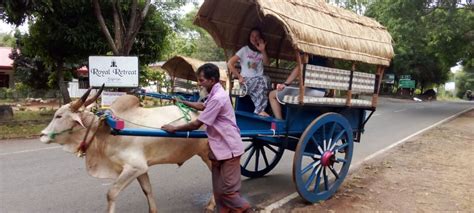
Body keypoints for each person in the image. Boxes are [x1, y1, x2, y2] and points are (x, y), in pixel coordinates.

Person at [161, 63, 252, 213]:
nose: (199, 83)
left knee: (228, 192)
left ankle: (248, 210)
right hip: (217, 149)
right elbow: (202, 106)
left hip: (229, 149)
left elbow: (196, 124)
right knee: (218, 191)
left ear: (212, 80)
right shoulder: (214, 93)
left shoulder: (218, 98)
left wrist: (174, 128)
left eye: (202, 80)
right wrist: (183, 101)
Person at [228, 27, 270, 116]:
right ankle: (259, 110)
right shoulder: (244, 50)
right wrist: (239, 77)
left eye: (257, 36)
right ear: (249, 37)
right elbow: (230, 63)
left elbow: (267, 63)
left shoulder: (260, 51)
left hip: (259, 80)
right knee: (262, 81)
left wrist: (263, 50)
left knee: (266, 79)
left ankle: (259, 109)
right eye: (252, 36)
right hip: (245, 81)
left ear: (260, 38)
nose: (254, 38)